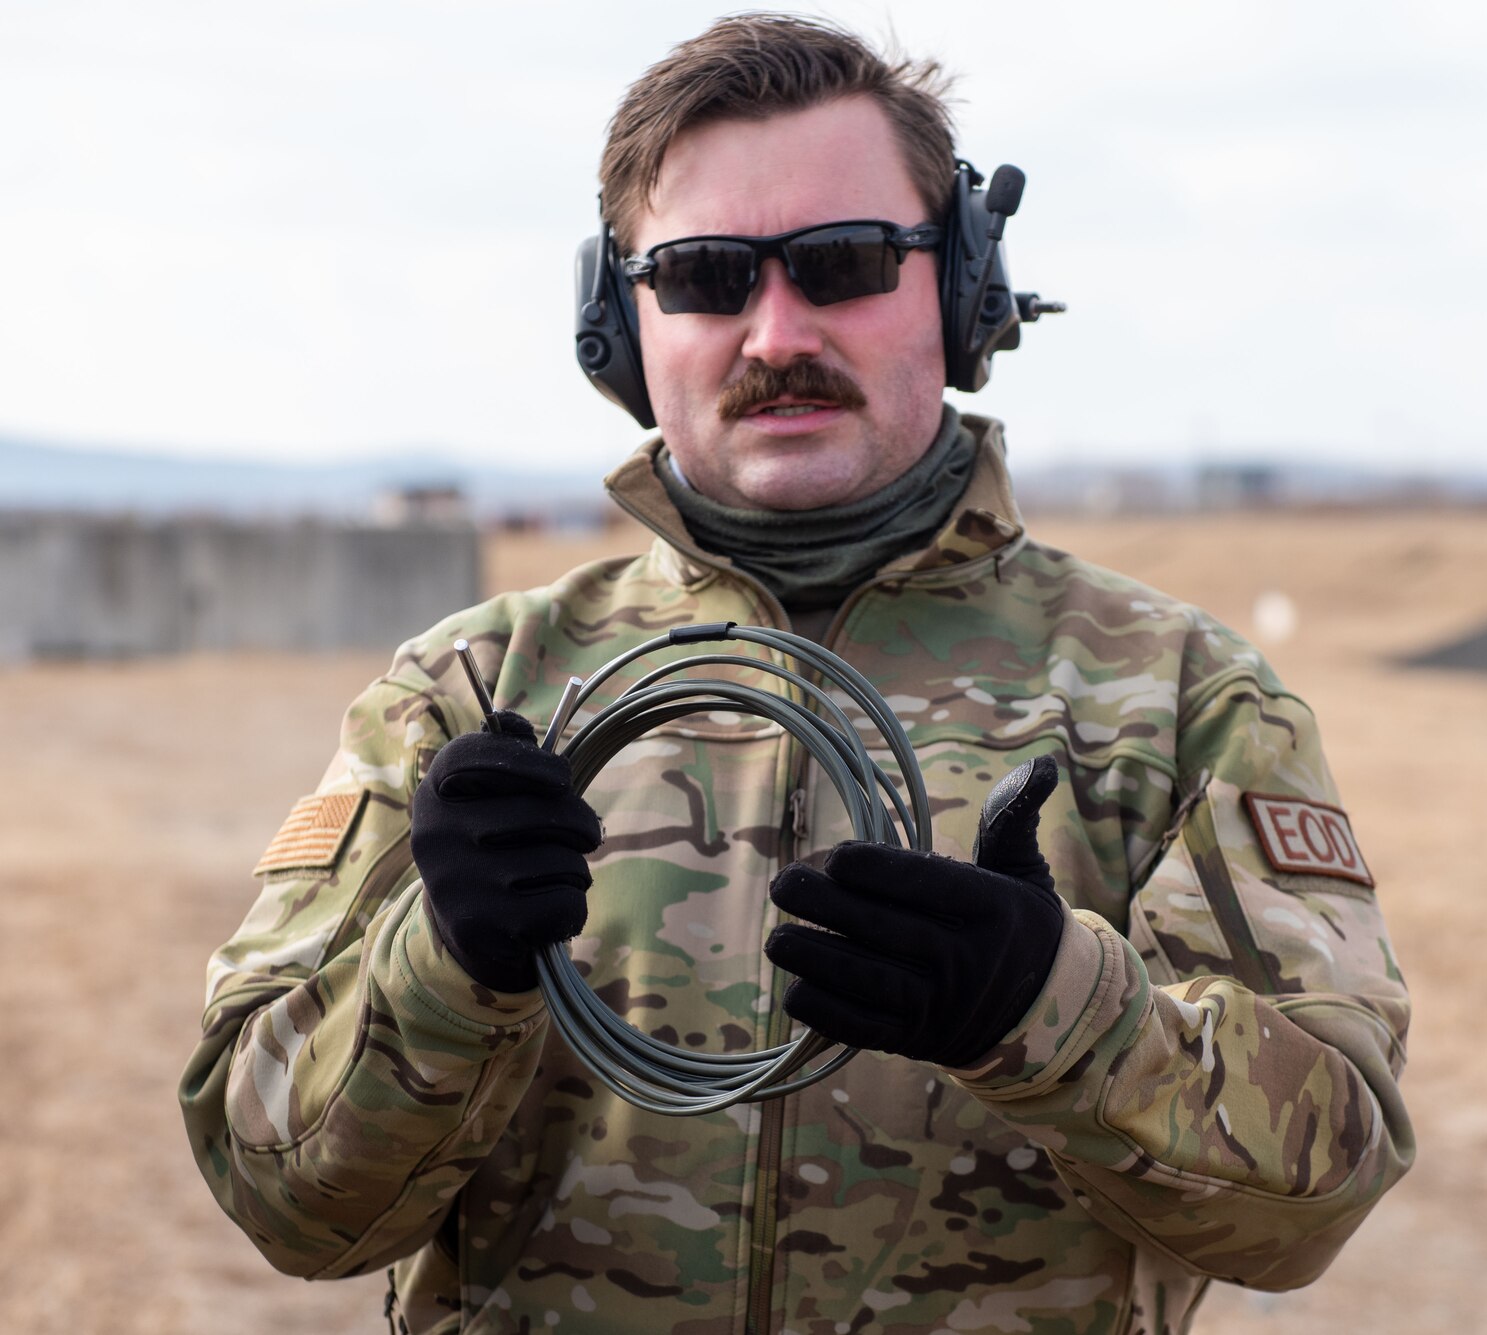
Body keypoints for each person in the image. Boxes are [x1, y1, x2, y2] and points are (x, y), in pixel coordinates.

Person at [180, 15, 1414, 1334]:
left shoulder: (1178, 701)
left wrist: (1051, 1005)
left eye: (845, 263)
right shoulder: (472, 695)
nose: (775, 332)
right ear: (618, 321)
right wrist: (442, 960)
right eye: (707, 276)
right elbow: (282, 1200)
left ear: (959, 292)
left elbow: (1318, 1193)